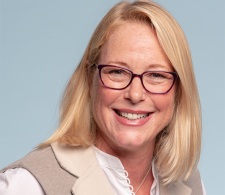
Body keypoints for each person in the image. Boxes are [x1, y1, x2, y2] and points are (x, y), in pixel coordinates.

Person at [0, 0, 206, 194]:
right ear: (91, 79)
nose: (135, 94)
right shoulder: (27, 184)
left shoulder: (190, 184)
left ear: (178, 90)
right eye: (117, 72)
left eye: (156, 75)